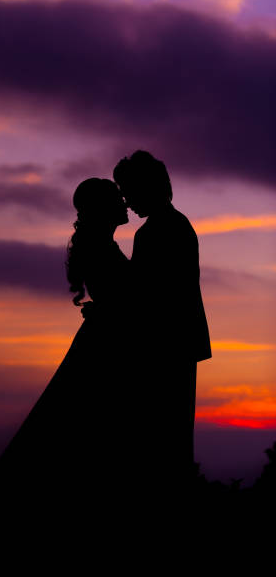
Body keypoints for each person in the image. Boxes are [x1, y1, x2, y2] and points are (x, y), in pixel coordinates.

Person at [0, 178, 131, 511]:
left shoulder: (99, 243)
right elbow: (123, 298)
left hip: (103, 339)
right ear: (103, 208)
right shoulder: (101, 247)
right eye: (116, 198)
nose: (125, 202)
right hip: (107, 346)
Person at [113, 150, 212, 494]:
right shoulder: (171, 225)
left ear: (150, 187)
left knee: (163, 437)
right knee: (170, 436)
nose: (127, 200)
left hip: (165, 347)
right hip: (176, 344)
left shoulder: (160, 230)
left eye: (129, 190)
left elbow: (147, 294)